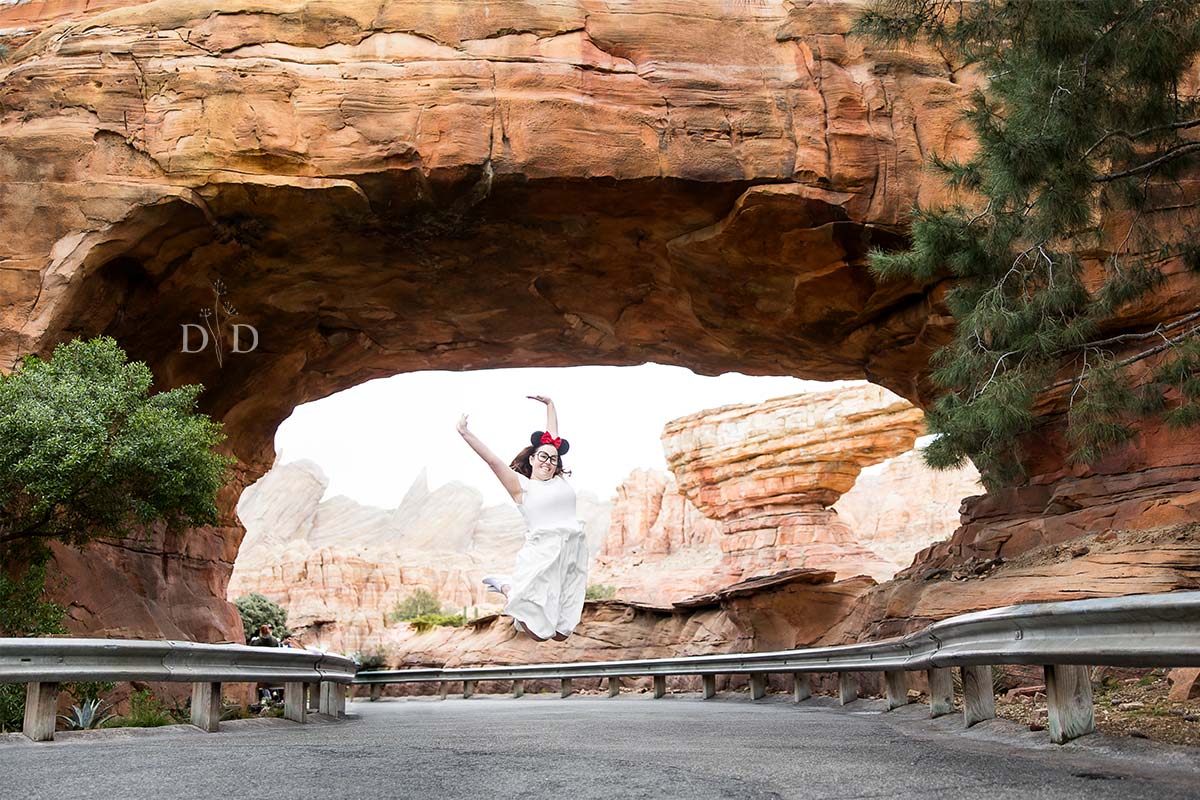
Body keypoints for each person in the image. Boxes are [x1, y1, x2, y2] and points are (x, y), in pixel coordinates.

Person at [456, 394, 587, 642]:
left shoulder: (559, 480)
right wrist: (466, 434)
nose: (548, 462)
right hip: (542, 553)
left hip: (572, 551)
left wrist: (551, 405)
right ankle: (508, 587)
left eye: (553, 459)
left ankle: (518, 602)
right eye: (542, 457)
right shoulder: (522, 488)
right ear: (531, 459)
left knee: (561, 634)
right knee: (539, 634)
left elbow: (552, 439)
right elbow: (493, 461)